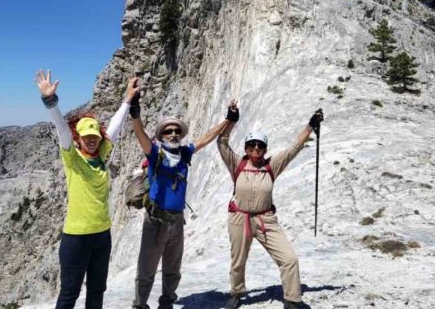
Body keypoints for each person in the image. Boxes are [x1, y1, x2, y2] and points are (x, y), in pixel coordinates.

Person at [128, 81, 240, 309]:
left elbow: (207, 138)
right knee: (146, 269)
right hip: (155, 221)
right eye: (168, 131)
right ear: (161, 135)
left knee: (173, 268)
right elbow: (139, 132)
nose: (173, 133)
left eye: (177, 130)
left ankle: (167, 303)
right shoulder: (155, 153)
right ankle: (139, 305)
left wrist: (228, 119)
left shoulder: (185, 152)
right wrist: (135, 108)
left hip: (177, 221)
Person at [35, 69, 140, 309]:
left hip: (102, 235)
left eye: (95, 136)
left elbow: (115, 126)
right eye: (86, 136)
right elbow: (61, 128)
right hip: (76, 238)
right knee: (69, 294)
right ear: (78, 138)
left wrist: (127, 98)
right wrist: (50, 102)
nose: (92, 139)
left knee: (97, 291)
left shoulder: (102, 154)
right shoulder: (72, 159)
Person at [217, 106, 324, 309]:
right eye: (251, 145)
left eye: (260, 146)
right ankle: (237, 292)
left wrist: (311, 125)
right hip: (240, 218)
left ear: (265, 149)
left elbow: (294, 148)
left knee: (289, 258)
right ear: (246, 148)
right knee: (238, 260)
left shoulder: (271, 165)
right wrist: (231, 120)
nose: (256, 149)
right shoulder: (237, 163)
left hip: (266, 220)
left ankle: (292, 299)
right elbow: (222, 143)